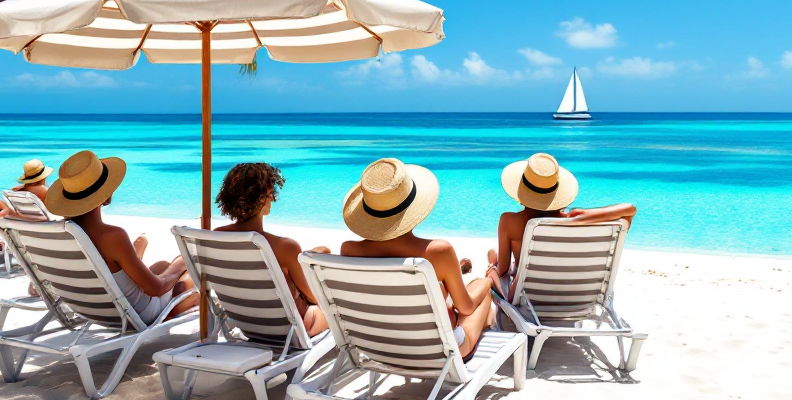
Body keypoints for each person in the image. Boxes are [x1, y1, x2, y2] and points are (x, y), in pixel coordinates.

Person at [340, 158, 495, 359]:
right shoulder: (438, 251)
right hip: (439, 350)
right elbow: (465, 307)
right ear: (412, 207)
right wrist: (488, 282)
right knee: (482, 294)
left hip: (380, 345)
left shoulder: (350, 250)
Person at [45, 150, 197, 323]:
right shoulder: (112, 236)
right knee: (192, 274)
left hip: (91, 309)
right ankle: (170, 313)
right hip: (133, 313)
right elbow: (155, 288)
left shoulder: (59, 235)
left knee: (162, 265)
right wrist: (181, 265)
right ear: (105, 195)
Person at [488, 152, 637, 298]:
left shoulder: (509, 221)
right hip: (576, 296)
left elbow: (503, 271)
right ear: (556, 193)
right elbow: (630, 209)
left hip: (528, 297)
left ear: (522, 191)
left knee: (492, 267)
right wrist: (578, 216)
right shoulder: (573, 222)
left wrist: (491, 271)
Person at [214, 163, 330, 336]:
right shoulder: (285, 247)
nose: (273, 197)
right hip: (289, 330)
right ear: (260, 198)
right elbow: (312, 296)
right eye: (270, 192)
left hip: (246, 323)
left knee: (321, 251)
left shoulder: (218, 236)